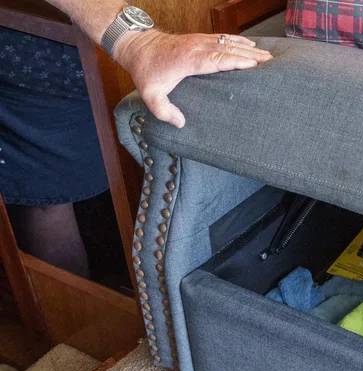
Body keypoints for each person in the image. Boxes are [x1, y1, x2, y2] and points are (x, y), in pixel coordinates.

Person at [0, 2, 271, 275]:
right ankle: (74, 312)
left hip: (141, 41)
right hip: (44, 57)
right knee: (49, 191)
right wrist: (134, 40)